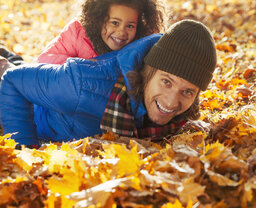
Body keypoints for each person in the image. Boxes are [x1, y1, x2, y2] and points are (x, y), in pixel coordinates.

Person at [0, 19, 217, 147]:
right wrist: (26, 151)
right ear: (148, 71)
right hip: (19, 105)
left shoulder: (175, 112)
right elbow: (13, 82)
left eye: (187, 92)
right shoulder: (83, 86)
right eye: (166, 82)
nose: (172, 102)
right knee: (10, 70)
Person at [37, 0, 169, 64]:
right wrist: (84, 64)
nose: (121, 32)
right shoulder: (77, 32)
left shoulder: (139, 45)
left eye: (130, 26)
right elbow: (44, 59)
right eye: (115, 23)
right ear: (99, 18)